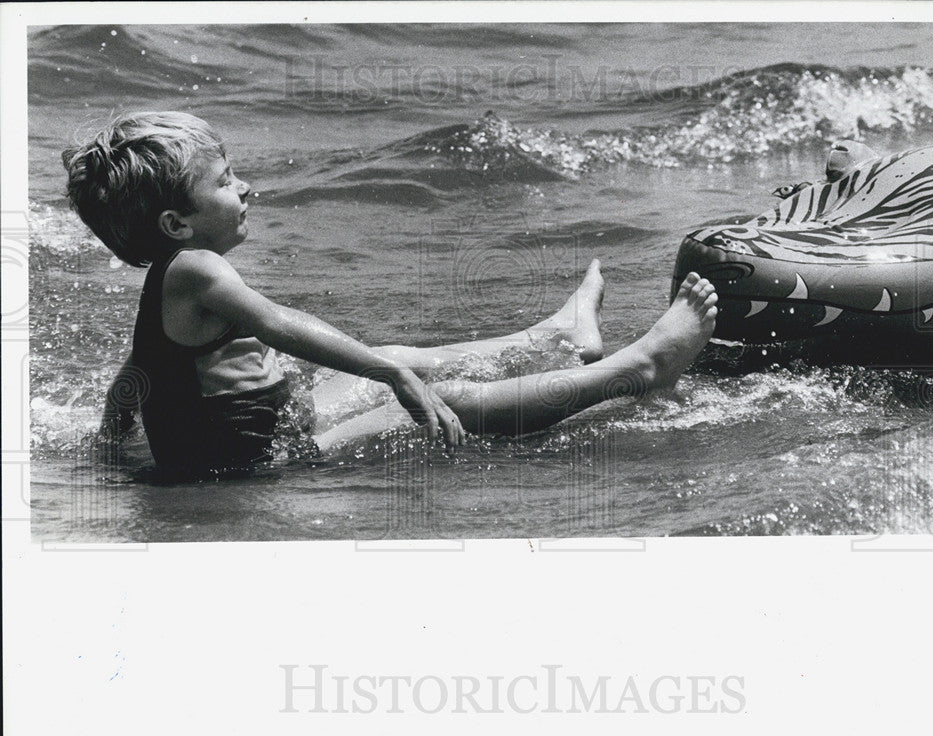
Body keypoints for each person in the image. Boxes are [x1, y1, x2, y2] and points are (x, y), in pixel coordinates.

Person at [64, 111, 717, 477]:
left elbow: (138, 370)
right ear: (178, 222)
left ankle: (550, 337)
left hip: (286, 422)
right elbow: (279, 322)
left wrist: (110, 437)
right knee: (441, 399)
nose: (247, 189)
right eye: (227, 181)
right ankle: (636, 370)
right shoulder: (196, 269)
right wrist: (388, 373)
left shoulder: (169, 276)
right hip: (267, 457)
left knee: (402, 352)